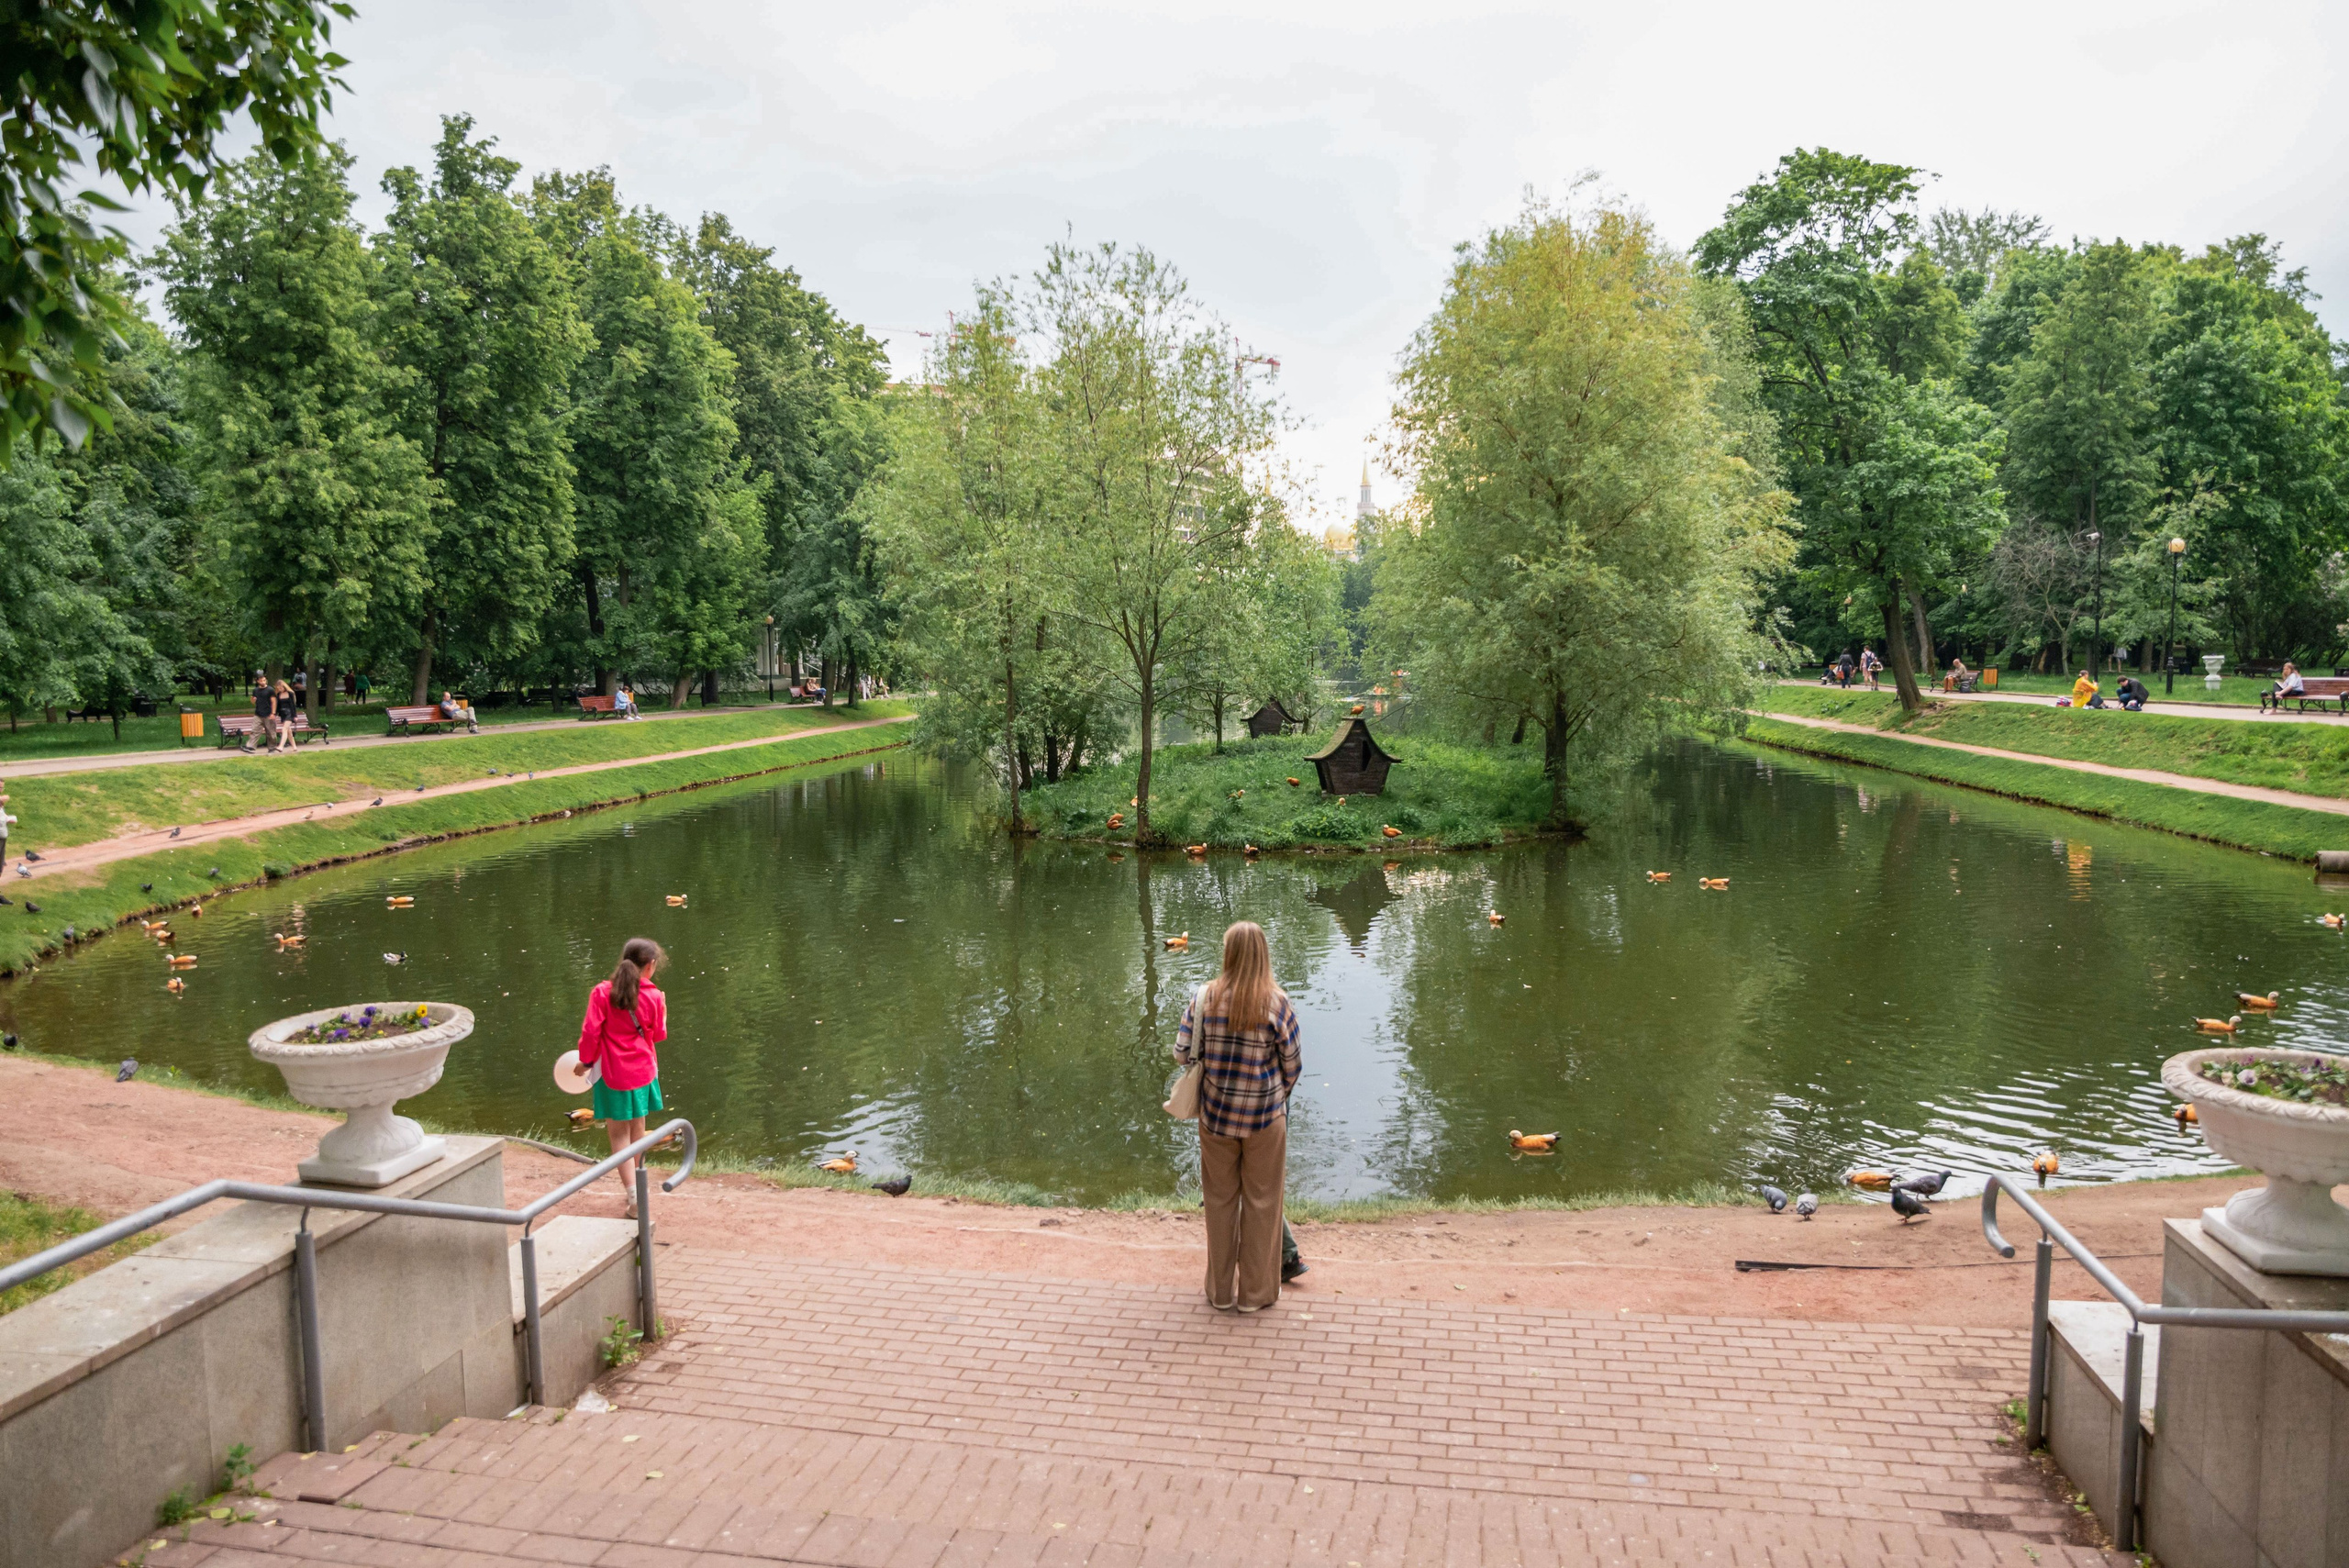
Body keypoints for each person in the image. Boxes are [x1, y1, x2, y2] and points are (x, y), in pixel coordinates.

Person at [1173, 920, 1302, 1312]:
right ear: (1264, 955)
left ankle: (1220, 1292)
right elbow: (1293, 1065)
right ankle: (1255, 1295)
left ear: (1227, 954)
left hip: (1216, 1117)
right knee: (1263, 1203)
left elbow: (1181, 1053)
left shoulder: (1204, 998)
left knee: (1219, 1201)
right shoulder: (1278, 1003)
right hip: (1265, 1118)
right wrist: (1273, 1093)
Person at [574, 937, 669, 1218]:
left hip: (613, 1073)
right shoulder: (653, 996)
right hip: (643, 1071)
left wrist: (586, 1062)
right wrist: (663, 1009)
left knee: (619, 1135)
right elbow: (659, 1035)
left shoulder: (602, 993)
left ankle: (633, 1195)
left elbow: (591, 1032)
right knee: (638, 1131)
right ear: (650, 966)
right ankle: (639, 1192)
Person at [246, 672, 272, 754]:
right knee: (255, 730)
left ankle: (272, 748)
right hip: (258, 713)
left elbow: (274, 701)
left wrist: (273, 712)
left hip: (268, 713)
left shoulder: (270, 690)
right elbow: (254, 701)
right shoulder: (256, 690)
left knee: (270, 732)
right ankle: (251, 747)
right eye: (261, 680)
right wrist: (252, 701)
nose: (263, 682)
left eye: (264, 680)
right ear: (258, 681)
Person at [272, 679, 300, 751]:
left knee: (284, 729)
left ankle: (281, 746)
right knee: (288, 731)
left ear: (284, 686)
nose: (280, 689)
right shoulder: (278, 695)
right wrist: (274, 714)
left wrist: (295, 716)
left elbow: (293, 706)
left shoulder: (290, 693)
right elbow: (278, 707)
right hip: (283, 714)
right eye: (278, 688)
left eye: (281, 687)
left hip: (290, 714)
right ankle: (294, 747)